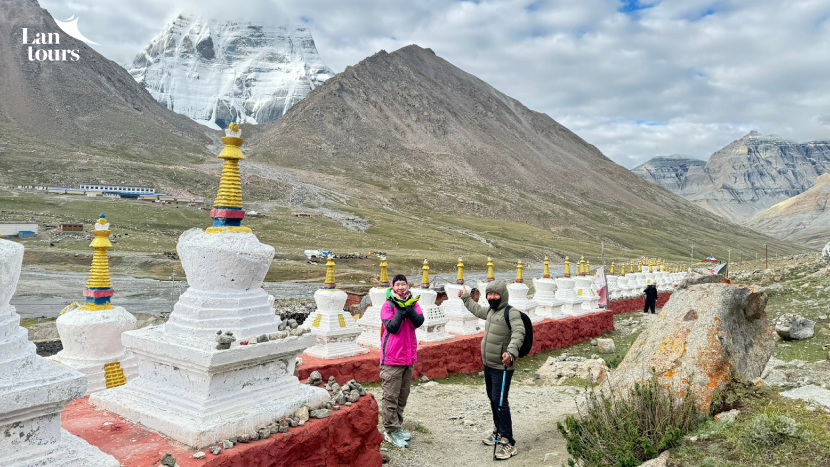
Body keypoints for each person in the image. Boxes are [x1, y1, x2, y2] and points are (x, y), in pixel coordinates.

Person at [458, 280, 524, 460]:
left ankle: (508, 441)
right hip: (489, 364)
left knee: (500, 401)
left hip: (503, 366)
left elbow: (519, 333)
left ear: (503, 295)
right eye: (489, 294)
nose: (492, 297)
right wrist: (465, 297)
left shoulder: (512, 313)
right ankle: (498, 430)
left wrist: (511, 352)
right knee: (493, 399)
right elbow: (477, 309)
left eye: (495, 294)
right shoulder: (491, 311)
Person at [380, 274, 424, 448]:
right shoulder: (388, 305)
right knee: (390, 397)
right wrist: (401, 309)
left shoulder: (413, 303)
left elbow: (419, 321)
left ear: (407, 286)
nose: (400, 287)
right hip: (392, 358)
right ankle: (390, 431)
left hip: (408, 358)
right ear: (392, 286)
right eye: (397, 284)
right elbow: (392, 327)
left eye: (403, 284)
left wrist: (409, 307)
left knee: (402, 397)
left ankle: (397, 428)